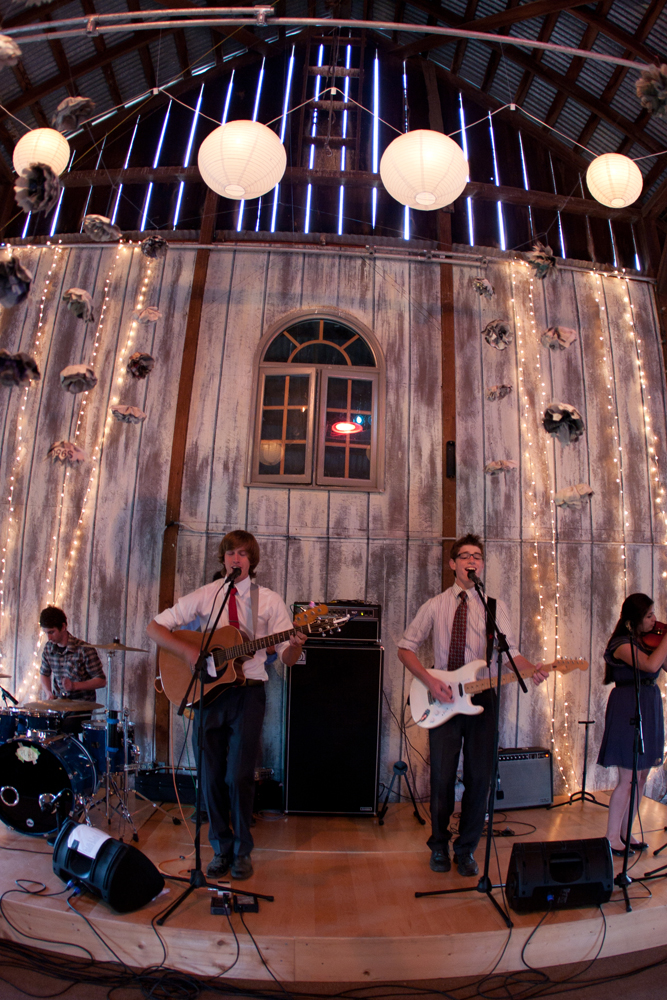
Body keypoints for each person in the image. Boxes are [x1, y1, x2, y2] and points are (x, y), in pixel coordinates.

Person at [147, 529, 306, 881]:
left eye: (244, 554)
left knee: (238, 775)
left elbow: (289, 658)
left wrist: (294, 643)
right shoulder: (208, 595)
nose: (237, 559)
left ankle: (242, 851)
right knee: (210, 775)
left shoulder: (270, 601)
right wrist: (189, 651)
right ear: (223, 559)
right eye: (232, 553)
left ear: (253, 561)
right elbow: (156, 627)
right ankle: (220, 849)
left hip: (249, 693)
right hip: (207, 696)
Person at [397, 534, 547, 877]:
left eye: (477, 556)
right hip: (443, 698)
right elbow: (405, 648)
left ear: (481, 564)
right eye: (465, 555)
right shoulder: (435, 605)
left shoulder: (495, 607)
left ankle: (465, 850)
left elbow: (511, 654)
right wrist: (430, 681)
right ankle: (438, 845)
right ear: (453, 564)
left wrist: (532, 670)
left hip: (484, 697)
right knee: (442, 778)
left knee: (481, 778)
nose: (471, 561)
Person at [597, 593, 667, 855]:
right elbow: (649, 666)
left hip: (649, 703)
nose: (654, 620)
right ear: (633, 619)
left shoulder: (648, 642)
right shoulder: (620, 643)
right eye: (649, 615)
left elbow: (662, 664)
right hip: (628, 705)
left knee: (642, 775)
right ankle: (611, 837)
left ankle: (627, 832)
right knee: (627, 777)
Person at [39, 605, 106, 702]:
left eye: (52, 632)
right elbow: (44, 674)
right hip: (59, 705)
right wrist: (48, 692)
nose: (48, 637)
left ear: (63, 627)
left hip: (81, 707)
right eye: (46, 633)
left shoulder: (85, 650)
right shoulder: (48, 648)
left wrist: (74, 686)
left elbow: (101, 681)